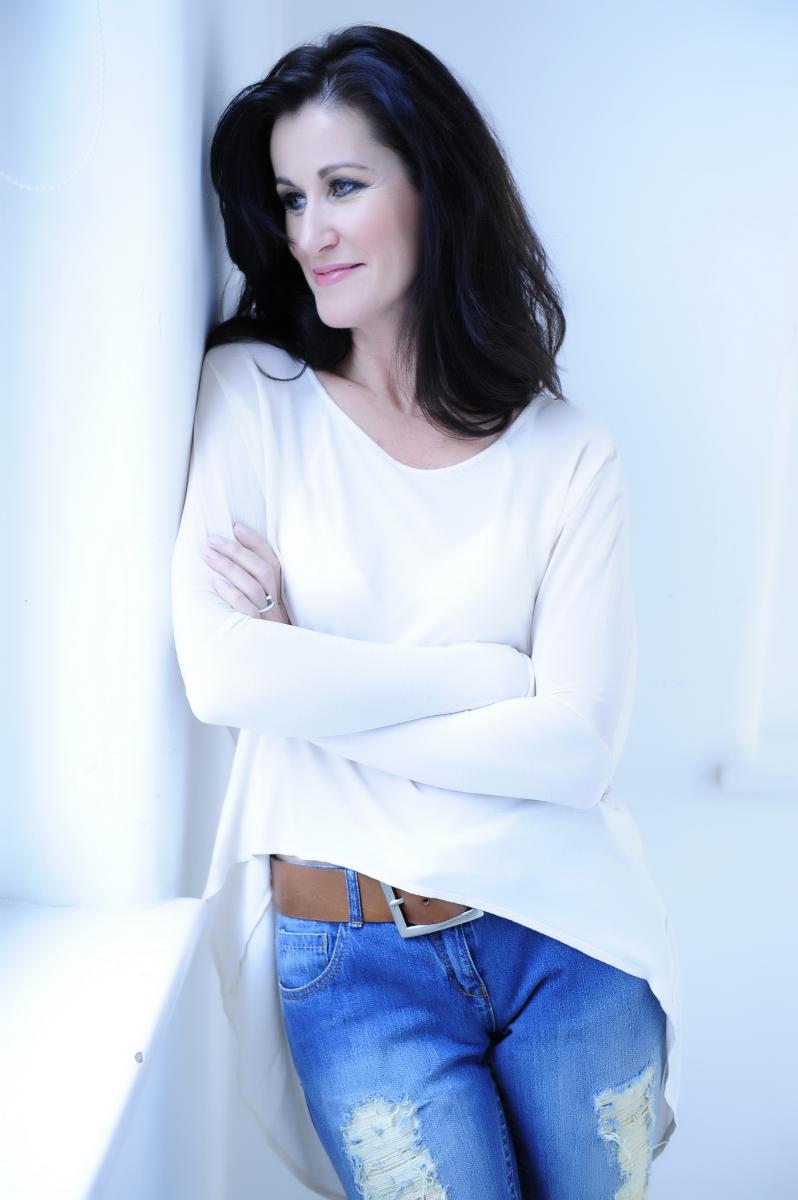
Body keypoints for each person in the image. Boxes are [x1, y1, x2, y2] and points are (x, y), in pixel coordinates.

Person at [170, 23, 681, 1200]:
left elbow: (578, 752)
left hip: (571, 935)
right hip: (352, 960)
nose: (309, 230)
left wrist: (311, 679)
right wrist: (487, 677)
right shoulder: (253, 395)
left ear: (434, 188)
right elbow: (224, 678)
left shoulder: (568, 453)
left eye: (343, 186)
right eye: (290, 198)